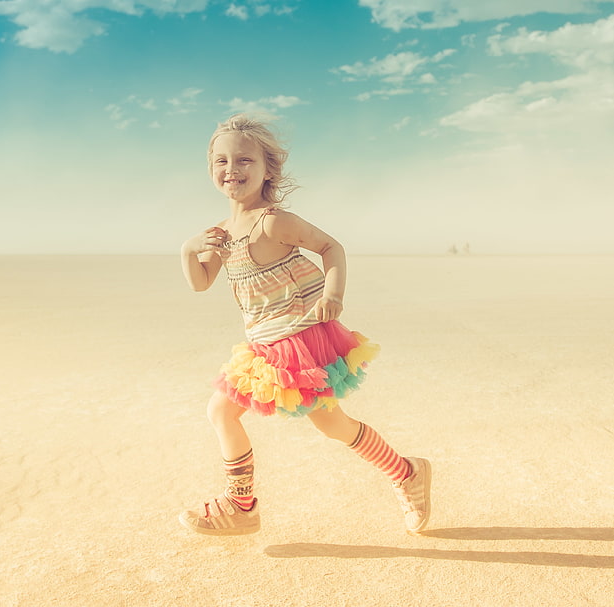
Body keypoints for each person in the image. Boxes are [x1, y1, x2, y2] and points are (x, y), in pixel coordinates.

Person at [178, 114, 431, 536]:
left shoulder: (273, 221)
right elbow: (201, 282)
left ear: (266, 171)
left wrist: (333, 294)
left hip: (303, 340)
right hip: (264, 345)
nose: (231, 170)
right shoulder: (221, 235)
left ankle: (243, 507)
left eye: (244, 160)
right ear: (210, 167)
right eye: (221, 161)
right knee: (247, 414)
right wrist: (188, 250)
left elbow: (332, 247)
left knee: (307, 422)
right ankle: (405, 472)